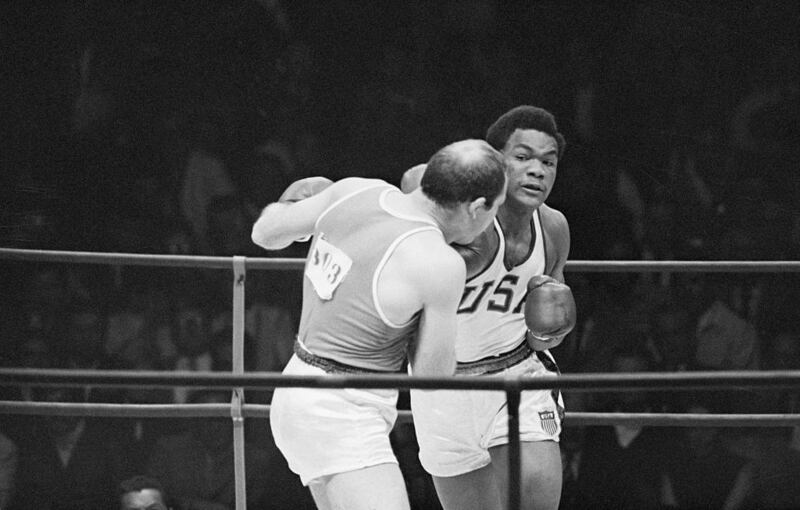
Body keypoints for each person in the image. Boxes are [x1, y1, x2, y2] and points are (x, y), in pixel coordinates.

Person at [251, 138, 508, 510]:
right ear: (478, 206)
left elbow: (265, 233)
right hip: (343, 412)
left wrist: (295, 206)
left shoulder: (353, 191)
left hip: (294, 392)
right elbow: (431, 378)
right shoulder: (438, 261)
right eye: (495, 209)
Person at [402, 106, 576, 510]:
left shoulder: (552, 229)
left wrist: (551, 329)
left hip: (515, 378)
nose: (537, 170)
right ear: (495, 161)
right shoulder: (459, 218)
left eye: (548, 162)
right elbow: (413, 182)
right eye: (523, 157)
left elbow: (545, 331)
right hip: (441, 388)